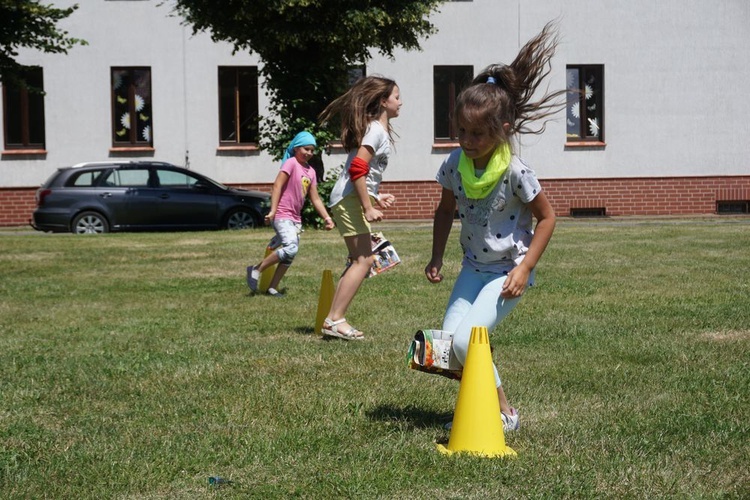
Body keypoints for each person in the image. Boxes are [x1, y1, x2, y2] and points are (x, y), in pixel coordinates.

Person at [424, 22, 566, 431]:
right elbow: (443, 210)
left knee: (470, 343)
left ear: (504, 130)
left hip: (507, 272)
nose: (467, 140)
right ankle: (484, 404)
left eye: (478, 134)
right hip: (472, 268)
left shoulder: (516, 172)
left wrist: (524, 269)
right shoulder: (454, 164)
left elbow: (548, 218)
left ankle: (505, 412)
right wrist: (436, 256)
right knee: (450, 349)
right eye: (462, 131)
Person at [317, 75, 402, 340]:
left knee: (359, 260)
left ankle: (333, 319)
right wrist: (367, 207)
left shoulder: (376, 130)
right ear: (383, 101)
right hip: (350, 201)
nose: (401, 102)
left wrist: (376, 196)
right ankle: (335, 319)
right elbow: (357, 169)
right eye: (397, 97)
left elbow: (363, 171)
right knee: (364, 261)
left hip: (349, 199)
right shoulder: (375, 130)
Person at [247, 131, 335, 297]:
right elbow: (277, 186)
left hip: (295, 218)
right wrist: (272, 211)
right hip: (282, 214)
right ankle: (257, 269)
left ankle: (272, 287)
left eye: (312, 150)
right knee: (291, 248)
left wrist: (327, 217)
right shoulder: (291, 163)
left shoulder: (311, 171)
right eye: (306, 149)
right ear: (296, 148)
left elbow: (315, 198)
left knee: (289, 257)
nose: (309, 153)